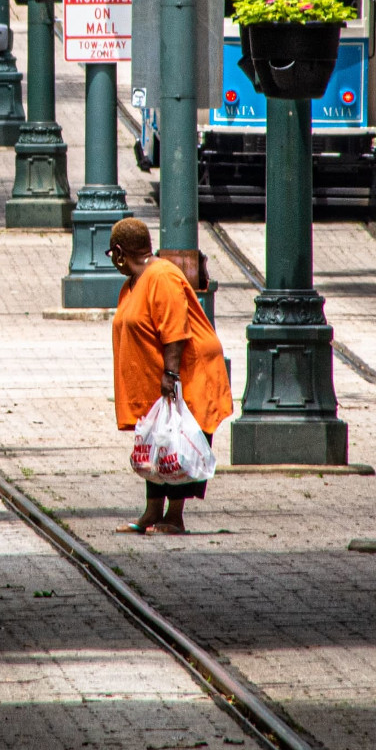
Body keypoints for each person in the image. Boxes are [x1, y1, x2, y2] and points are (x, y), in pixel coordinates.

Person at [106, 218, 233, 535]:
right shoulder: (136, 281)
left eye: (112, 255)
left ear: (120, 252)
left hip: (187, 374)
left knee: (177, 444)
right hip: (160, 378)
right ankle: (152, 513)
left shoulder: (161, 276)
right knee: (157, 444)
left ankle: (174, 516)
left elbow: (174, 331)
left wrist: (171, 373)